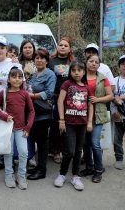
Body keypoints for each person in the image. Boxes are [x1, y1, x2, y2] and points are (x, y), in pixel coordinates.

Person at [54, 61, 93, 191]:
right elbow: (60, 101)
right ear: (70, 72)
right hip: (69, 123)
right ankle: (62, 174)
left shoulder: (87, 87)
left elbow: (90, 105)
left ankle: (75, 176)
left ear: (84, 72)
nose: (77, 73)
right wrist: (61, 120)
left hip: (82, 124)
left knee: (78, 151)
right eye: (74, 70)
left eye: (79, 70)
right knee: (69, 151)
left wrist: (89, 122)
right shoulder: (67, 84)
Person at [0, 67, 35, 189]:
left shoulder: (25, 94)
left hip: (21, 129)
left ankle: (21, 175)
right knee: (9, 152)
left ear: (23, 79)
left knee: (23, 152)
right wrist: (4, 116)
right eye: (14, 77)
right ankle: (8, 174)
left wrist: (28, 127)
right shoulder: (3, 93)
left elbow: (32, 111)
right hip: (7, 129)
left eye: (19, 77)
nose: (17, 79)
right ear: (9, 79)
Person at [0, 36, 22, 172]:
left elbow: (21, 83)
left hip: (8, 104)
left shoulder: (13, 64)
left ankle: (9, 161)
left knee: (8, 133)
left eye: (2, 48)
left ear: (7, 50)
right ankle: (1, 160)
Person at [80, 54, 113, 183]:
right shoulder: (81, 76)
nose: (93, 63)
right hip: (82, 114)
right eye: (91, 61)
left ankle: (98, 169)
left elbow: (110, 96)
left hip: (97, 115)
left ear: (99, 65)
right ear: (86, 62)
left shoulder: (103, 78)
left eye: (96, 62)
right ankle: (89, 167)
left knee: (95, 143)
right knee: (85, 143)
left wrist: (97, 99)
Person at [26, 48, 56, 180]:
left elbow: (49, 93)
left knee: (43, 142)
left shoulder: (50, 74)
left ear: (46, 60)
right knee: (35, 140)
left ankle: (42, 170)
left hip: (43, 114)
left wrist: (32, 96)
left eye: (42, 58)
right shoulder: (32, 74)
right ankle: (38, 166)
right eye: (37, 58)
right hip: (33, 112)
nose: (39, 60)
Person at [48, 36, 76, 163]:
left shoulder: (73, 62)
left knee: (68, 124)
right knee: (55, 124)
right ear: (57, 47)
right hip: (54, 97)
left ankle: (66, 149)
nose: (63, 47)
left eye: (66, 45)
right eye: (61, 45)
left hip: (69, 97)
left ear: (70, 49)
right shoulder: (51, 60)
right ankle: (55, 151)